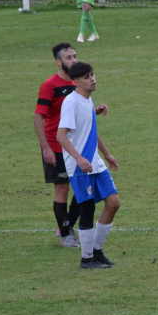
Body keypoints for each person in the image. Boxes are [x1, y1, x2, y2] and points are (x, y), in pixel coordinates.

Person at [33, 42, 105, 248]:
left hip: (77, 147)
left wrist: (95, 112)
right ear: (58, 62)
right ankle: (65, 235)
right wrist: (45, 147)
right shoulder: (50, 85)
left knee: (83, 187)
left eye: (75, 56)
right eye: (68, 58)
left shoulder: (78, 83)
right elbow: (39, 117)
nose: (74, 60)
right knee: (63, 190)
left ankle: (66, 226)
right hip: (56, 147)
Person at [56, 62, 120, 269]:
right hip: (80, 166)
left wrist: (107, 154)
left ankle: (97, 251)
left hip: (96, 163)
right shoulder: (70, 102)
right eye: (86, 77)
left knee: (113, 203)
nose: (92, 79)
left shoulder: (86, 100)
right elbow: (61, 135)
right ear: (76, 82)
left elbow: (89, 130)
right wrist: (78, 158)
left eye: (92, 75)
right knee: (87, 208)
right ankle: (86, 259)